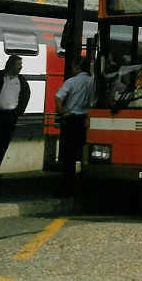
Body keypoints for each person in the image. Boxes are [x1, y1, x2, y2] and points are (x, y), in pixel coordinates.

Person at [55, 58, 94, 196]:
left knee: (69, 156)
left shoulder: (71, 81)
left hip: (71, 120)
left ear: (77, 67)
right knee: (85, 154)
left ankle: (67, 187)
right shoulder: (93, 82)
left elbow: (58, 97)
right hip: (87, 121)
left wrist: (62, 113)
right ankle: (83, 186)